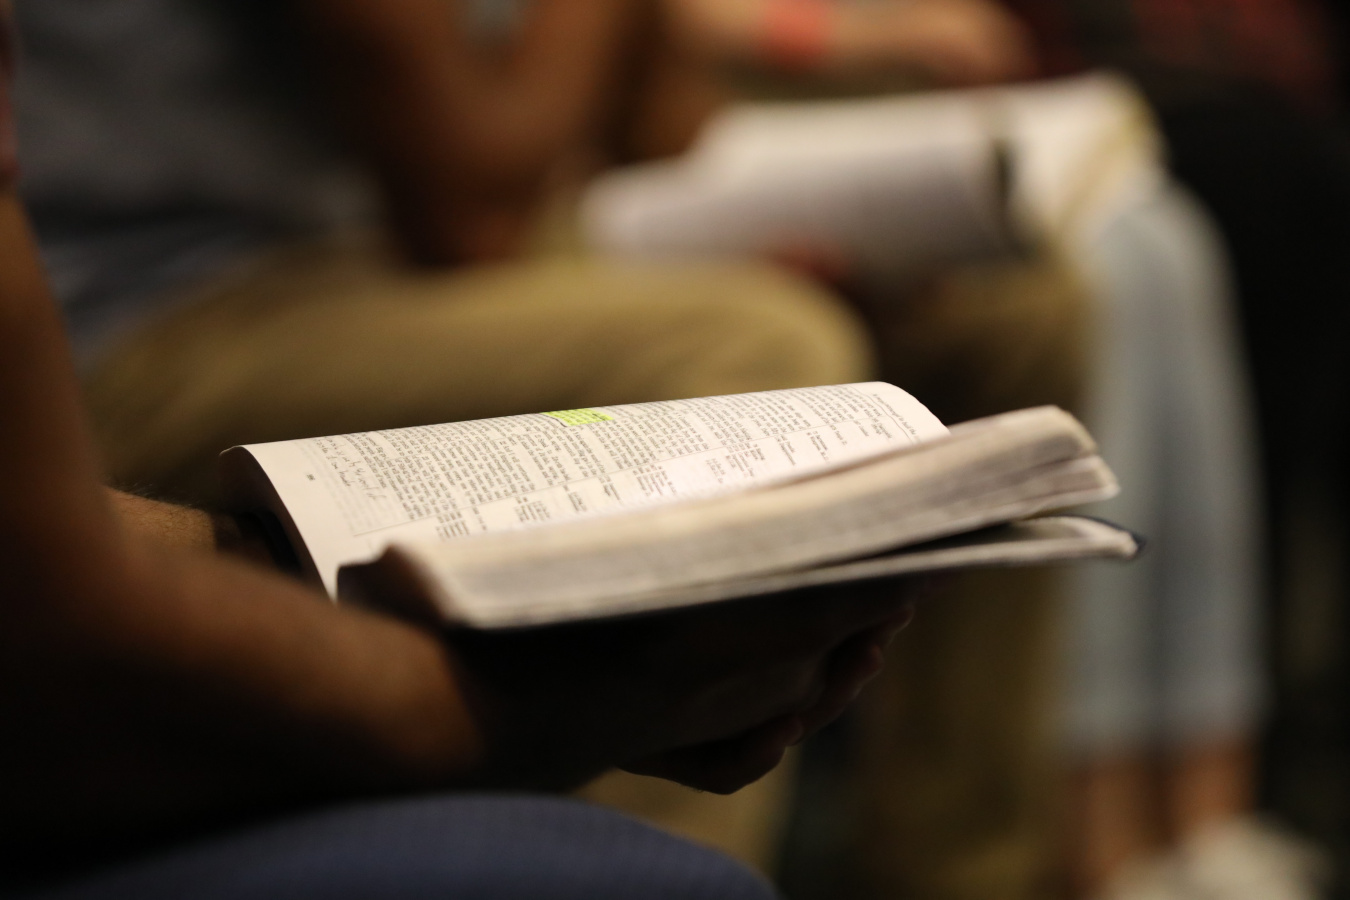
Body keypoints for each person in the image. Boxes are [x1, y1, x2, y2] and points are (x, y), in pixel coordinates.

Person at [0, 6, 929, 894]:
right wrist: (549, 714)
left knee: (978, 321)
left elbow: (657, 132)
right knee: (754, 347)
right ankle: (601, 845)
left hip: (347, 259)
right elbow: (471, 216)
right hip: (143, 318)